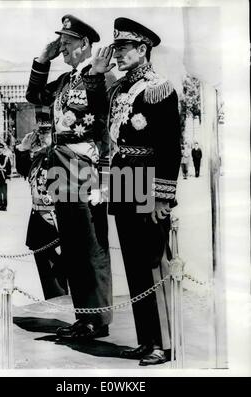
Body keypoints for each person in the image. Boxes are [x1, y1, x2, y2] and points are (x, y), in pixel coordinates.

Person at [94, 17, 181, 365]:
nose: (118, 54)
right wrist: (97, 74)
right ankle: (146, 339)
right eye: (116, 48)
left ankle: (163, 342)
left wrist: (163, 195)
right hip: (123, 183)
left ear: (142, 49)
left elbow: (169, 146)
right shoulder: (118, 89)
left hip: (147, 183)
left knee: (151, 263)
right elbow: (101, 122)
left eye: (124, 48)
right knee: (133, 266)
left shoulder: (159, 88)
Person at [26, 14, 114, 339]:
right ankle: (84, 317)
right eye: (60, 42)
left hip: (85, 166)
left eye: (67, 42)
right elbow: (34, 97)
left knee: (91, 245)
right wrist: (41, 60)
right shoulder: (65, 80)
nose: (62, 47)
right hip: (62, 165)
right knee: (74, 246)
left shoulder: (101, 74)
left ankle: (97, 318)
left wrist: (103, 179)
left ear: (85, 44)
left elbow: (104, 120)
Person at [16, 111, 68, 299]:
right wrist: (22, 148)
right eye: (39, 133)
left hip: (59, 221)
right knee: (48, 277)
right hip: (39, 223)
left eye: (45, 133)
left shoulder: (63, 155)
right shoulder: (38, 157)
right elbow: (23, 169)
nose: (41, 137)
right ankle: (55, 307)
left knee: (64, 276)